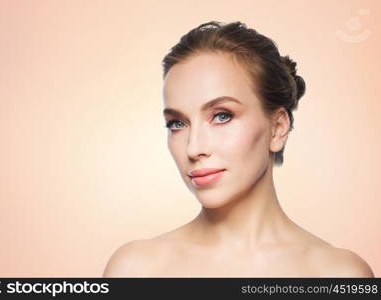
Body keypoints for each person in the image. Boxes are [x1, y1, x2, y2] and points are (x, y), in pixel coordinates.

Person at [103, 21, 374, 277]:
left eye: (222, 116)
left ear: (278, 128)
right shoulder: (136, 270)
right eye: (177, 123)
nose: (194, 147)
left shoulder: (337, 274)